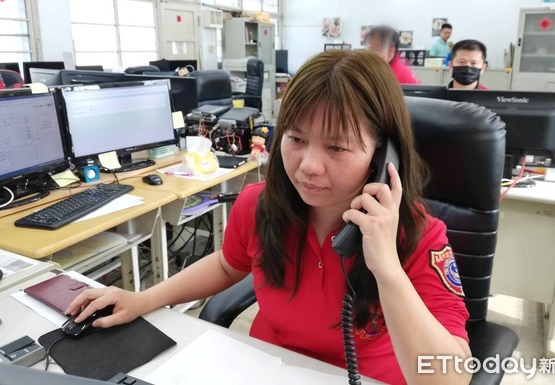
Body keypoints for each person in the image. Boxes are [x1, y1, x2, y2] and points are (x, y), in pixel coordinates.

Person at [67, 50, 471, 385]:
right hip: (263, 369)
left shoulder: (419, 236)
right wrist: (143, 298)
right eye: (295, 139)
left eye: (337, 147)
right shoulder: (261, 206)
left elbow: (452, 378)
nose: (308, 166)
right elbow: (228, 264)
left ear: (384, 157)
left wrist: (386, 267)